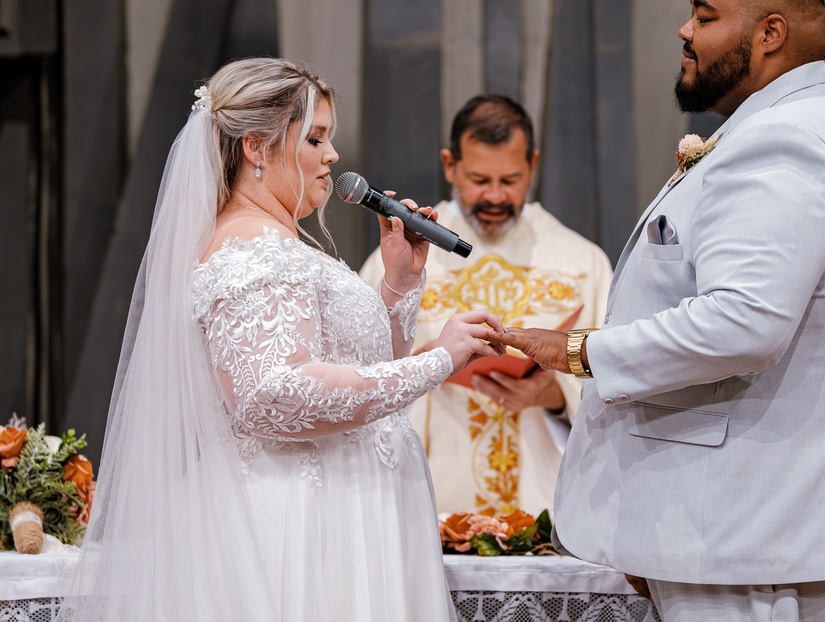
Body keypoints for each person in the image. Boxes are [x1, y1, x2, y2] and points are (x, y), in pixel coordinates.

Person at [491, 0, 825, 622]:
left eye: (705, 14)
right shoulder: (794, 126)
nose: (685, 32)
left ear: (769, 34)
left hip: (756, 530)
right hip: (749, 529)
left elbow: (742, 323)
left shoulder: (788, 142)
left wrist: (577, 349)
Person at [60, 58, 507, 622]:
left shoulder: (273, 243)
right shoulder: (255, 250)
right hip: (304, 518)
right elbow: (274, 396)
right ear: (257, 147)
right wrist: (438, 361)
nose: (333, 156)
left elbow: (359, 373)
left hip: (349, 506)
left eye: (331, 138)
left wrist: (399, 281)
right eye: (315, 137)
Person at [360, 95, 612, 517]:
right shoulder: (404, 252)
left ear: (533, 164)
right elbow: (357, 369)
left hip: (545, 498)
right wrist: (427, 363)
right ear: (448, 165)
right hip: (429, 496)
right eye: (478, 179)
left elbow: (618, 369)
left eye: (510, 179)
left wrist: (555, 394)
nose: (494, 196)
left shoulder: (582, 263)